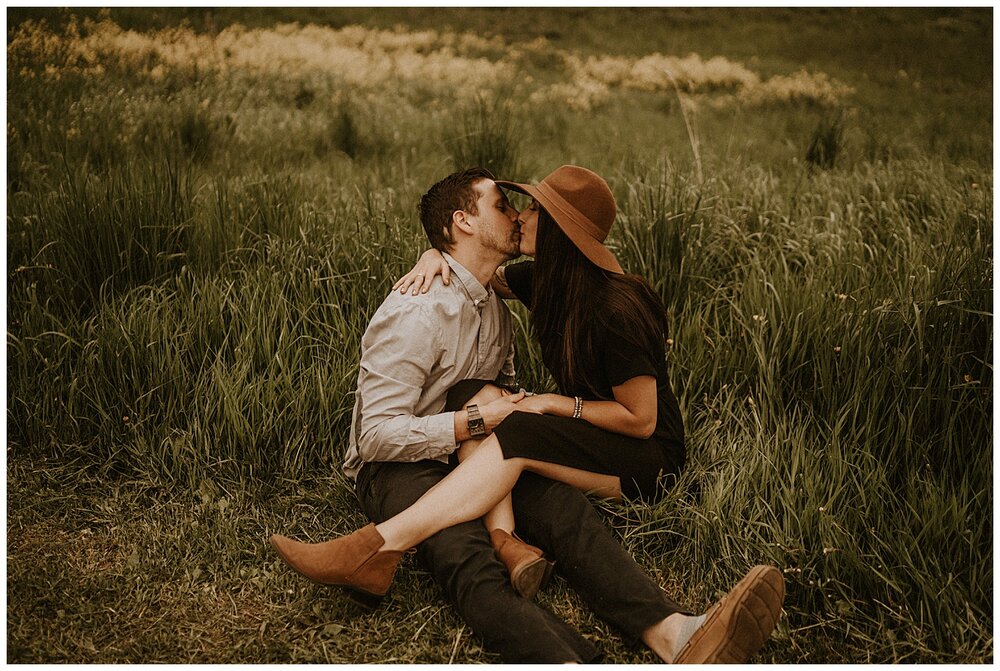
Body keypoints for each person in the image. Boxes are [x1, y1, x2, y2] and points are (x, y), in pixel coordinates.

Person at [271, 166, 784, 663]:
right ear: (463, 222)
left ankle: (673, 632)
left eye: (529, 208)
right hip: (401, 460)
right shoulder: (418, 310)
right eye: (504, 204)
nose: (518, 215)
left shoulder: (551, 301)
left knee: (564, 510)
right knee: (460, 547)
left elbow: (635, 419)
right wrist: (436, 255)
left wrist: (517, 413)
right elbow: (374, 438)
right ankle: (561, 657)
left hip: (546, 448)